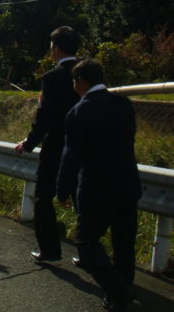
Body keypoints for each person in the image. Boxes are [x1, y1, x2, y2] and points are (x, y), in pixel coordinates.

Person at [57, 59, 141, 312]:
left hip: (96, 187)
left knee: (86, 241)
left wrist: (62, 188)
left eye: (74, 82)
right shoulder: (123, 104)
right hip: (127, 182)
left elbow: (72, 156)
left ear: (81, 82)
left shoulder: (79, 111)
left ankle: (118, 291)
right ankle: (121, 291)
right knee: (124, 241)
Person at [14, 26, 80, 261]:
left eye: (52, 46)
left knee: (44, 197)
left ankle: (50, 250)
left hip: (56, 147)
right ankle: (86, 252)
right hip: (85, 147)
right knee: (81, 198)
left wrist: (28, 143)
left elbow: (44, 118)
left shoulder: (52, 78)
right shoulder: (88, 71)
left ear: (56, 48)